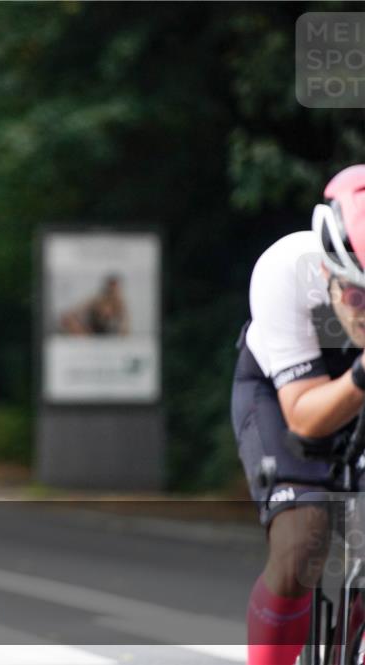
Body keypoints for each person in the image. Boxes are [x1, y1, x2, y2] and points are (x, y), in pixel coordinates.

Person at [233, 164, 365, 665]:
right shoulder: (286, 267)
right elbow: (306, 419)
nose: (363, 314)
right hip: (284, 394)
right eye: (356, 297)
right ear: (329, 270)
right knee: (303, 543)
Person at [59, 274, 129, 335]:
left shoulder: (120, 304)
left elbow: (124, 327)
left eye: (115, 289)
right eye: (111, 288)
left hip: (106, 334)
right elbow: (77, 310)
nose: (113, 291)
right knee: (69, 320)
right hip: (91, 332)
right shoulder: (97, 300)